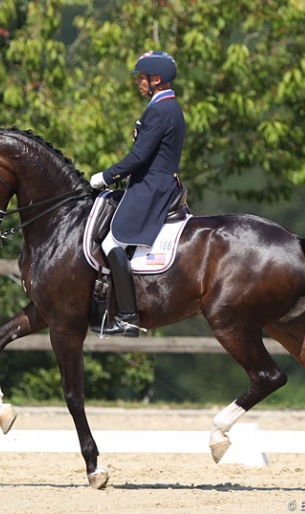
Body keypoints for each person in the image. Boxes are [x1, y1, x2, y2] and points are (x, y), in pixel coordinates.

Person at [90, 50, 186, 337]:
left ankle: (128, 317)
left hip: (151, 186)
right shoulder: (169, 106)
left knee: (111, 242)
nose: (138, 83)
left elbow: (139, 156)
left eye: (142, 79)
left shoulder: (159, 110)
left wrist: (106, 176)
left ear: (156, 79)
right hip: (159, 181)